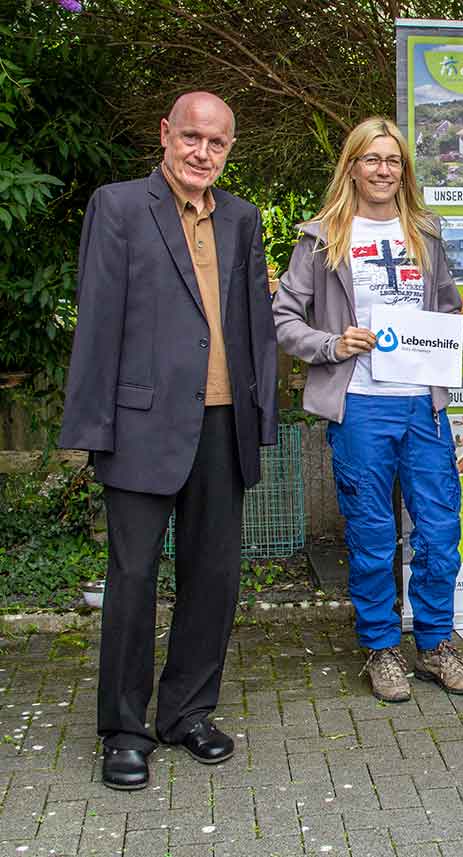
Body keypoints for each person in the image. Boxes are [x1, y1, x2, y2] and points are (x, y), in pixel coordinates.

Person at [59, 92, 278, 791]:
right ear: (165, 134)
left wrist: (259, 417)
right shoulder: (119, 207)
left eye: (216, 143)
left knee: (213, 578)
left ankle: (187, 711)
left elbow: (255, 329)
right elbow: (96, 320)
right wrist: (94, 431)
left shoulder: (242, 220)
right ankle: (124, 729)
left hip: (222, 424)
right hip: (141, 425)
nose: (201, 153)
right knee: (131, 580)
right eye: (191, 137)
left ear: (228, 150)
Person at [273, 117, 463, 704]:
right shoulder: (322, 238)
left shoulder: (425, 234)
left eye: (393, 161)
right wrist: (331, 344)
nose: (383, 170)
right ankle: (381, 650)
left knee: (441, 535)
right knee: (372, 540)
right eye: (371, 159)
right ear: (352, 166)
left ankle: (437, 646)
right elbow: (283, 319)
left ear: (404, 171)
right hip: (361, 407)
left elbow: (449, 322)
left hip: (423, 409)